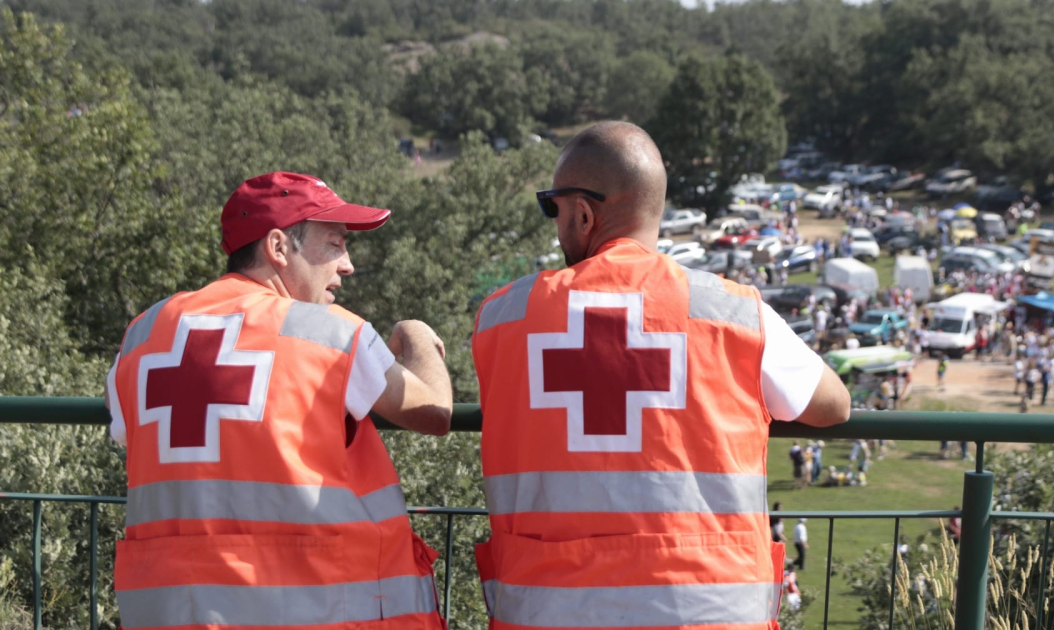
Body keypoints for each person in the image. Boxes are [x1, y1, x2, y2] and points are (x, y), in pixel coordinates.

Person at [470, 122, 851, 626]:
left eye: (553, 206)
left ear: (584, 213)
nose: (556, 221)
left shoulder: (503, 317)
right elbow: (832, 404)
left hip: (550, 606)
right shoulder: (732, 311)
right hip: (711, 608)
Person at [103, 172, 453, 629]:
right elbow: (434, 411)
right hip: (307, 611)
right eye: (335, 244)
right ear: (278, 247)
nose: (346, 264)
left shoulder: (142, 335)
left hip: (170, 612)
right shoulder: (330, 332)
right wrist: (416, 335)